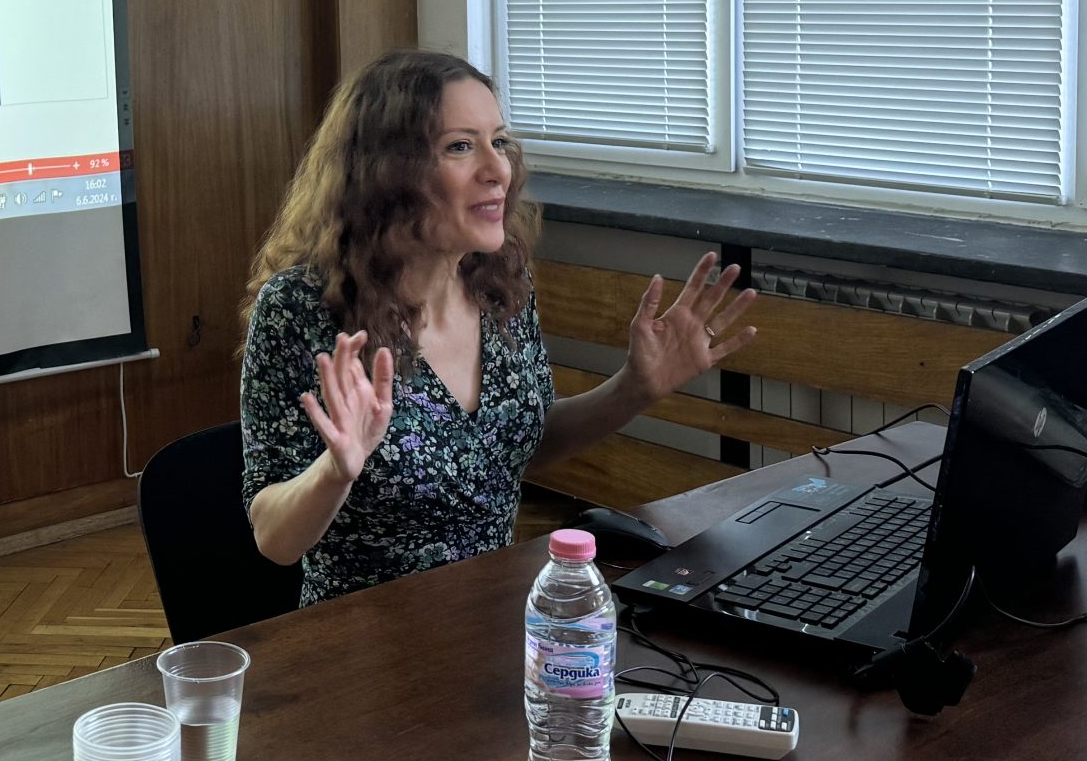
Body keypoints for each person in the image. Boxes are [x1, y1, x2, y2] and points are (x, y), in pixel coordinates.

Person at [240, 48, 758, 607]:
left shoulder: (499, 284)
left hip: (495, 616)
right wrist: (336, 471)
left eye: (499, 141)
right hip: (364, 635)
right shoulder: (300, 309)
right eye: (460, 146)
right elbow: (274, 539)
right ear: (386, 172)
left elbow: (514, 445)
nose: (499, 170)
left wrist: (635, 388)